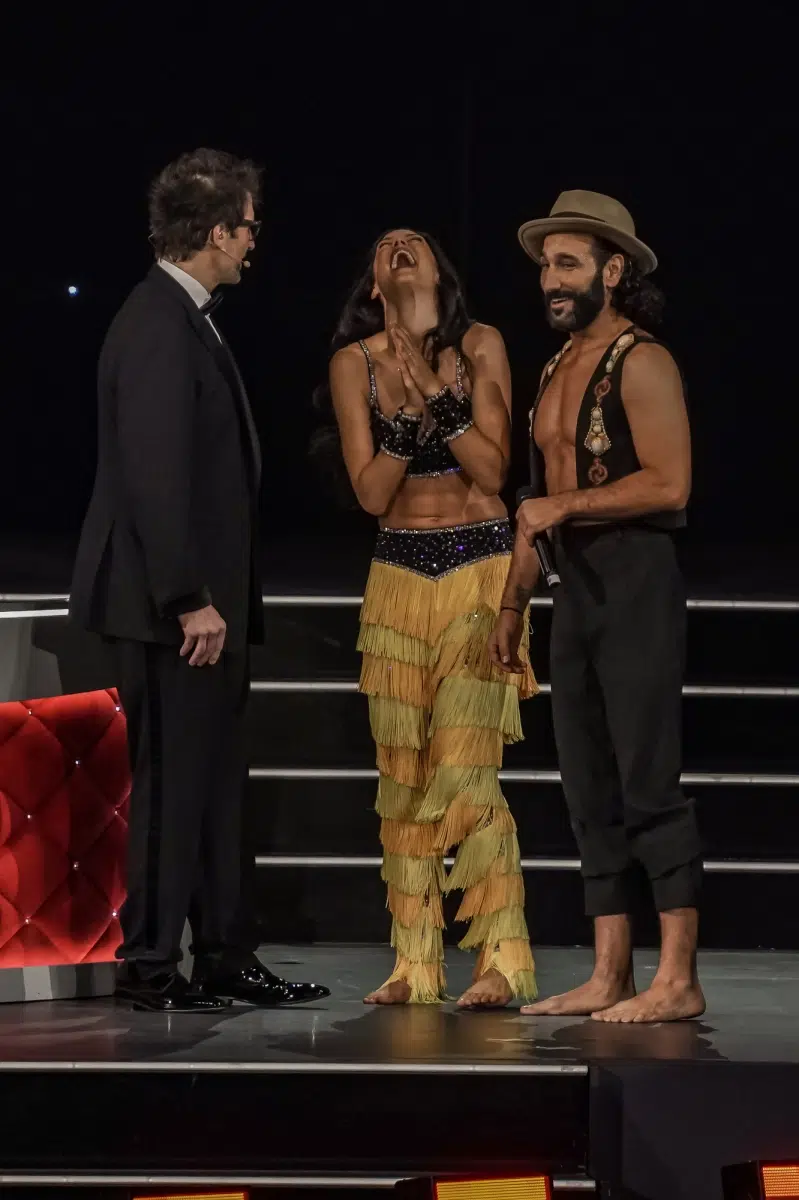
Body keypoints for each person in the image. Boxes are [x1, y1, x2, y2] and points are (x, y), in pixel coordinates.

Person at [70, 148, 329, 1012]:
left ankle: (223, 954)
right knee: (174, 790)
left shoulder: (186, 317)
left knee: (216, 787)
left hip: (201, 604)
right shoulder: (155, 322)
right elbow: (155, 478)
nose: (255, 242)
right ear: (217, 232)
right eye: (249, 227)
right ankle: (151, 967)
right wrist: (188, 597)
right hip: (169, 610)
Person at [489, 191, 704, 1024]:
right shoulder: (553, 368)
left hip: (634, 576)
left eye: (568, 263)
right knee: (586, 783)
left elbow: (669, 483)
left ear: (612, 272)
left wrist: (564, 508)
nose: (551, 279)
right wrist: (512, 605)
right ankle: (609, 971)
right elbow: (533, 506)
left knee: (646, 776)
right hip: (571, 586)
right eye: (546, 264)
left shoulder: (640, 361)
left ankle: (676, 978)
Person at [320, 228, 538, 1008]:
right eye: (386, 246)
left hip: (477, 569)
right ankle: (414, 962)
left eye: (415, 241)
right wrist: (406, 419)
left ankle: (500, 958)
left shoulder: (480, 344)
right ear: (373, 284)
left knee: (467, 772)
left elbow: (493, 468)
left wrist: (437, 395)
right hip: (398, 578)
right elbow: (371, 493)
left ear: (440, 273)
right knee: (403, 778)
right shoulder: (353, 363)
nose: (400, 245)